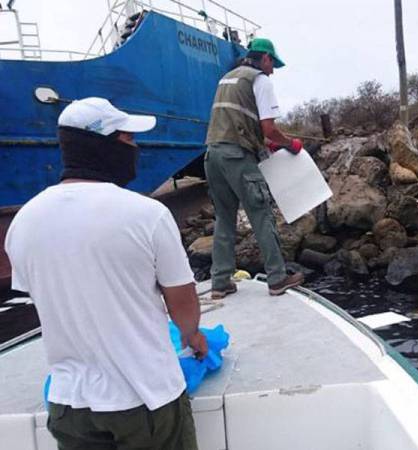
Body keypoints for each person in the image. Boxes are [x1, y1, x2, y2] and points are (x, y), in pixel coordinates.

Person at [5, 97, 206, 450]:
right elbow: (182, 301)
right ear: (103, 145)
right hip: (145, 399)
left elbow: (49, 299)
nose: (135, 148)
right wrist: (191, 335)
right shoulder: (146, 214)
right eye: (128, 140)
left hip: (70, 405)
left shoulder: (23, 223)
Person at [205, 38, 304, 299]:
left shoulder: (228, 78)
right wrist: (289, 144)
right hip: (237, 156)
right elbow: (269, 128)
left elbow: (241, 123)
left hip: (212, 155)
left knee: (224, 218)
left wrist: (267, 145)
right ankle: (277, 278)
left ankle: (220, 282)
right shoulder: (260, 80)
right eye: (273, 65)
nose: (272, 71)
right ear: (266, 59)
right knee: (261, 214)